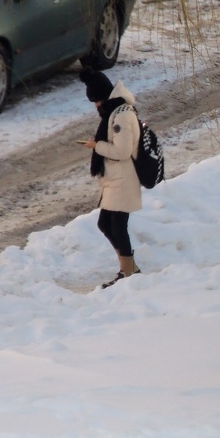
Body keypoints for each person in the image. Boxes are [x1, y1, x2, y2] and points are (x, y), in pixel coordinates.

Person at [79, 68, 144, 289]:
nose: (96, 106)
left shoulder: (122, 115)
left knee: (116, 226)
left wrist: (97, 146)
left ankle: (129, 273)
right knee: (106, 224)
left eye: (97, 100)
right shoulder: (114, 112)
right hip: (115, 180)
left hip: (123, 180)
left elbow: (122, 151)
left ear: (104, 96)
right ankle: (129, 269)